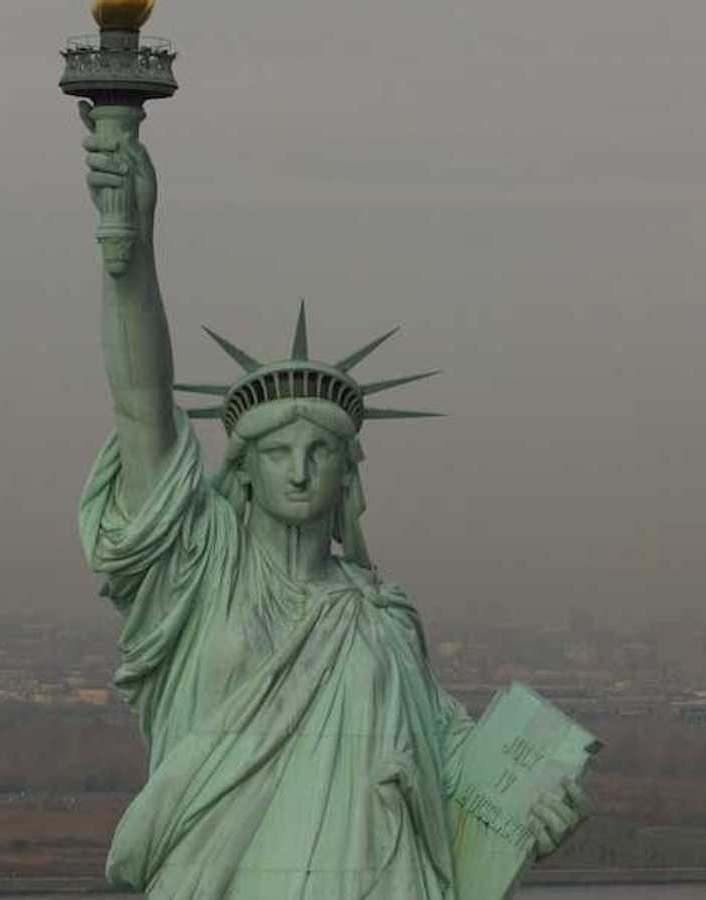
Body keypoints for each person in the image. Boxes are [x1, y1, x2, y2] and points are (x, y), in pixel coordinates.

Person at [76, 104, 586, 899]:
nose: (301, 470)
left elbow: (452, 761)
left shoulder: (382, 616)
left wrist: (540, 802)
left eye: (322, 452)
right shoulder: (201, 575)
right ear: (241, 470)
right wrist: (129, 253)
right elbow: (142, 402)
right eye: (279, 452)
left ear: (350, 475)